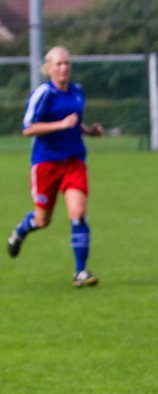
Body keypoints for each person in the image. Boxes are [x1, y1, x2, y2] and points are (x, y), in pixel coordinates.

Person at [6, 46, 104, 287]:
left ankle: (80, 272)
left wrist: (89, 131)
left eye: (67, 63)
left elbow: (76, 123)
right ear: (48, 68)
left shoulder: (78, 92)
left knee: (78, 214)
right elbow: (28, 128)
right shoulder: (43, 94)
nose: (63, 68)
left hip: (73, 162)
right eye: (58, 64)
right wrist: (59, 125)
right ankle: (20, 231)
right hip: (46, 164)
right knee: (42, 221)